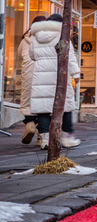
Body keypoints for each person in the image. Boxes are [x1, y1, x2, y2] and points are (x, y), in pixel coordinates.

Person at [27, 14, 81, 149]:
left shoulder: (35, 37)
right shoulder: (62, 36)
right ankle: (67, 137)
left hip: (41, 76)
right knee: (66, 107)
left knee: (43, 108)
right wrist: (76, 73)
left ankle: (44, 139)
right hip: (59, 74)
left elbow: (32, 55)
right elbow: (70, 57)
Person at [18, 15, 47, 145]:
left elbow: (20, 54)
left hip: (28, 76)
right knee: (43, 106)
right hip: (43, 75)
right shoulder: (48, 39)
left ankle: (30, 125)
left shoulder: (25, 39)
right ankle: (41, 136)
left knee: (28, 102)